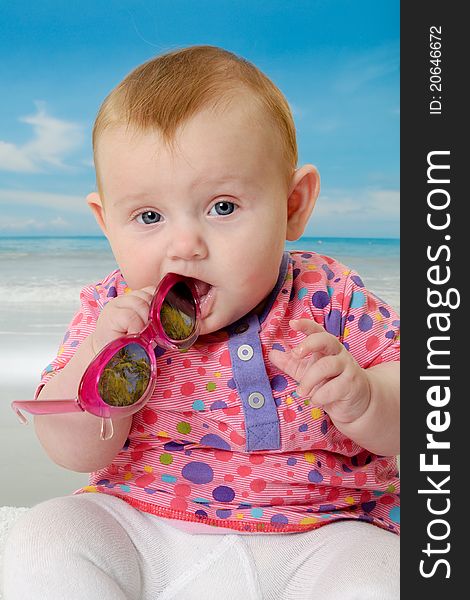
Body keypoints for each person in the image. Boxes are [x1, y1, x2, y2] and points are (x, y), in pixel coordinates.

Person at [3, 45, 400, 599]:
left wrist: (367, 399)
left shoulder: (330, 296)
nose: (184, 246)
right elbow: (74, 452)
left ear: (293, 205)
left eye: (222, 207)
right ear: (106, 222)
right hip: (146, 524)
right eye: (148, 216)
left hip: (322, 530)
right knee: (47, 534)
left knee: (387, 572)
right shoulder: (110, 312)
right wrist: (99, 356)